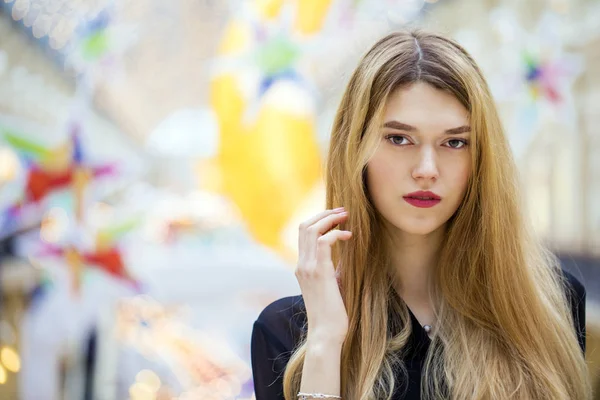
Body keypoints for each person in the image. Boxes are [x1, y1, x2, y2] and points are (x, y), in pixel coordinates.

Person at [250, 30, 591, 400]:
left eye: (454, 142)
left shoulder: (551, 305)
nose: (427, 169)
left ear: (481, 161)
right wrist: (325, 344)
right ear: (355, 151)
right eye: (399, 138)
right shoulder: (288, 331)